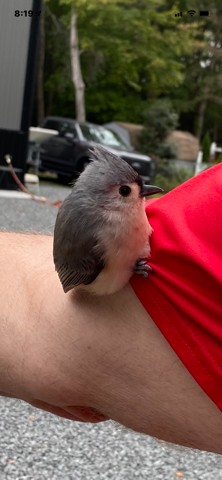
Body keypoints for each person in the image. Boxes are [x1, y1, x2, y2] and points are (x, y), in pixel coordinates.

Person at [0, 163, 221, 455]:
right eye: (128, 191)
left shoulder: (131, 215)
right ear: (104, 202)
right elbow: (75, 281)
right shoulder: (95, 236)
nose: (143, 195)